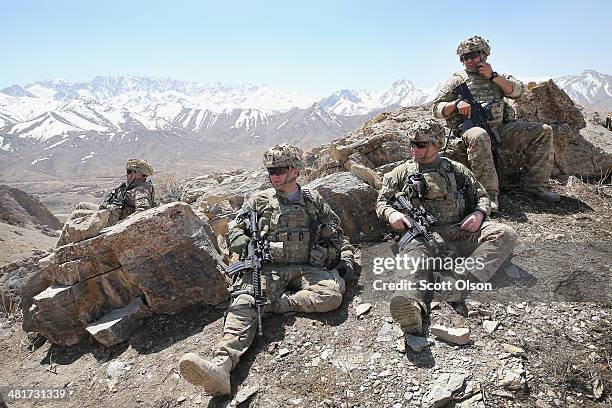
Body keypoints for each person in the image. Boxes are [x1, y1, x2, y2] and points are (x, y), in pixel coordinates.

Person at [179, 143, 355, 395]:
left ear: (295, 170)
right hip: (269, 268)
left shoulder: (313, 201)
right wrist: (239, 239)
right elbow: (237, 230)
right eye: (270, 171)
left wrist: (344, 259)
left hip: (307, 268)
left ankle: (275, 305)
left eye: (280, 170)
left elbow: (338, 235)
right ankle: (220, 368)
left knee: (332, 296)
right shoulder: (258, 201)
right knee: (244, 302)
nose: (274, 176)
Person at [376, 119, 517, 335]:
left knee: (504, 233)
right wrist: (392, 213)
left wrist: (479, 214)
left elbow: (482, 196)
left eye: (421, 144)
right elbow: (382, 201)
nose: (414, 148)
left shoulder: (457, 170)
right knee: (412, 263)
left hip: (460, 232)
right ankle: (411, 308)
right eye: (412, 143)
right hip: (421, 237)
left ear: (437, 144)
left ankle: (460, 281)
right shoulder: (401, 173)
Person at [431, 35, 560, 213]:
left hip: (499, 130)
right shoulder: (458, 80)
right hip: (469, 134)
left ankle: (535, 186)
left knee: (543, 131)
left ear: (484, 55)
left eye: (473, 55)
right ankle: (488, 195)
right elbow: (436, 108)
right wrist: (456, 104)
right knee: (479, 135)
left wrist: (493, 76)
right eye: (464, 58)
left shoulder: (497, 76)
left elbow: (518, 92)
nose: (468, 60)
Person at [55, 158, 155, 247]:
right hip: (108, 212)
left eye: (129, 171)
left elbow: (142, 212)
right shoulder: (131, 186)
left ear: (138, 174)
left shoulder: (141, 190)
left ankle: (59, 248)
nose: (127, 174)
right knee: (82, 205)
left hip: (111, 219)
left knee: (76, 214)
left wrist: (121, 224)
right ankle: (66, 235)